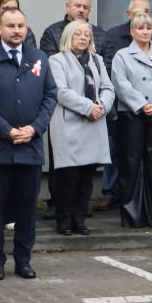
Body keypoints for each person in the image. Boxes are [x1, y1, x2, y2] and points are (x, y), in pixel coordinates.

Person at [0, 7, 57, 280]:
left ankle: (23, 260)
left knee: (27, 210)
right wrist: (6, 131)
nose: (17, 30)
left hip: (30, 147)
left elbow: (50, 96)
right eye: (11, 26)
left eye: (21, 25)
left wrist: (35, 127)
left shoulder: (38, 57)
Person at [48, 20, 116, 236]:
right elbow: (61, 91)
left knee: (86, 179)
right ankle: (64, 221)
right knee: (68, 179)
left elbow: (108, 87)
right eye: (78, 34)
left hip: (93, 124)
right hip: (70, 125)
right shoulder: (56, 60)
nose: (84, 37)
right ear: (69, 36)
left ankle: (79, 219)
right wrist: (89, 107)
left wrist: (102, 106)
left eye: (87, 34)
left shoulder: (96, 60)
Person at [112, 11, 152, 229]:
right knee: (131, 164)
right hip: (132, 114)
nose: (145, 32)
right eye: (140, 28)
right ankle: (131, 216)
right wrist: (141, 104)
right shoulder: (122, 55)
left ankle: (151, 215)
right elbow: (120, 84)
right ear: (132, 32)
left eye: (148, 28)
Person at [39, 0, 115, 71]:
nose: (81, 10)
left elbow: (108, 65)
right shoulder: (52, 32)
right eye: (77, 6)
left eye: (85, 7)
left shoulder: (101, 35)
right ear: (68, 7)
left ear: (89, 11)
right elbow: (50, 64)